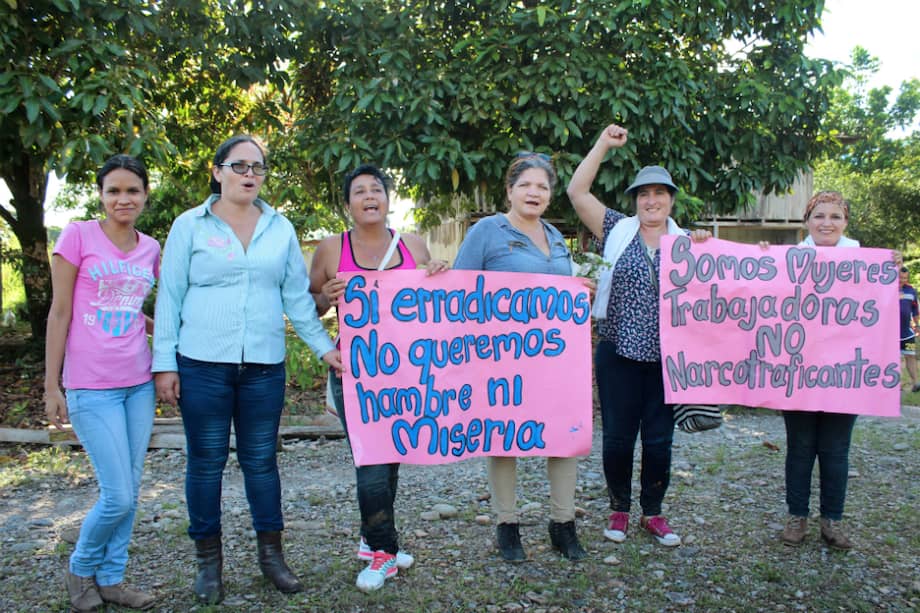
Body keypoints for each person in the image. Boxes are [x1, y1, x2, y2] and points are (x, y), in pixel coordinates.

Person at [152, 135, 341, 603]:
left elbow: (297, 299)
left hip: (262, 368)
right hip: (201, 365)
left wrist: (324, 349)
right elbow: (170, 297)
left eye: (258, 166)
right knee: (206, 463)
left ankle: (272, 558)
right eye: (239, 166)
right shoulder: (189, 226)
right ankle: (208, 565)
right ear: (217, 172)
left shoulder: (279, 228)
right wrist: (164, 364)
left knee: (261, 463)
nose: (250, 174)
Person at [566, 124, 710, 548]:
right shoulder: (616, 229)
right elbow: (577, 192)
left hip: (669, 360)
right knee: (616, 437)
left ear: (671, 200)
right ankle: (619, 509)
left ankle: (654, 513)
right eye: (644, 194)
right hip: (617, 352)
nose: (652, 201)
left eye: (659, 194)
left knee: (660, 441)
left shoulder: (689, 243)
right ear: (635, 201)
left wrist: (704, 244)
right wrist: (602, 145)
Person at [310, 164, 448, 591]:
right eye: (359, 191)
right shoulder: (332, 249)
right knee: (370, 460)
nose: (369, 196)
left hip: (407, 371)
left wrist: (441, 275)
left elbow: (439, 305)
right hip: (355, 371)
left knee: (391, 459)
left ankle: (374, 541)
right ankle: (385, 552)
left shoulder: (413, 245)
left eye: (377, 190)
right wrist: (325, 295)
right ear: (347, 203)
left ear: (388, 200)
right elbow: (308, 305)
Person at [452, 152, 588, 562]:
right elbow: (458, 291)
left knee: (563, 434)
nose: (534, 192)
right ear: (509, 190)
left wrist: (580, 289)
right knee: (503, 436)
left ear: (550, 196)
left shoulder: (557, 237)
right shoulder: (486, 231)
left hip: (554, 358)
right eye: (525, 185)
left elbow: (560, 291)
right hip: (501, 357)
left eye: (542, 187)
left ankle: (563, 524)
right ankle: (506, 525)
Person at [44, 154, 160, 612]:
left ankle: (111, 579)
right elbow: (59, 312)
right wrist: (52, 386)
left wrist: (166, 336)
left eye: (132, 190)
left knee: (130, 488)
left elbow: (133, 310)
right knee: (118, 494)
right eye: (113, 190)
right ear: (101, 195)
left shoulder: (150, 248)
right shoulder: (77, 235)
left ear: (145, 195)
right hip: (91, 386)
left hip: (138, 382)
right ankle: (81, 567)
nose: (123, 198)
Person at [778, 191, 862, 550]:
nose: (827, 223)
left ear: (845, 223)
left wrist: (890, 267)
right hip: (798, 370)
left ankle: (832, 521)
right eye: (819, 216)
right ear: (807, 221)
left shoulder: (865, 262)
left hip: (845, 373)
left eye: (835, 217)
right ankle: (797, 517)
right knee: (800, 447)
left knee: (835, 449)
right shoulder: (788, 259)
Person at [898, 266, 920, 392]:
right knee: (895, 359)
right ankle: (898, 384)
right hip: (891, 334)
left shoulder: (911, 291)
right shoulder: (888, 289)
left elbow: (915, 311)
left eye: (905, 278)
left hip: (908, 334)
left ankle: (915, 382)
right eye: (900, 277)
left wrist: (917, 326)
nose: (902, 280)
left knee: (910, 356)